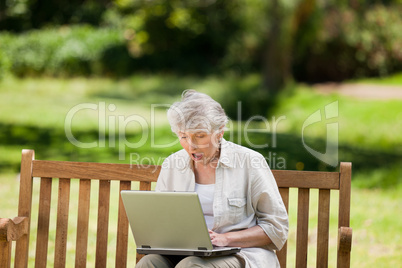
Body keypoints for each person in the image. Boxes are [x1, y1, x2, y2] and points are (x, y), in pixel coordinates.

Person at [136, 90, 288, 268]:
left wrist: (225, 239)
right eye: (183, 136)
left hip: (241, 253)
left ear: (219, 132)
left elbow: (276, 228)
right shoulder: (173, 165)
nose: (191, 145)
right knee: (149, 262)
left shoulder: (249, 162)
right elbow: (160, 222)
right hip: (185, 253)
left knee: (191, 266)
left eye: (199, 136)